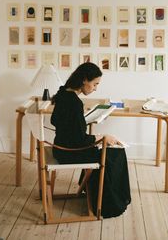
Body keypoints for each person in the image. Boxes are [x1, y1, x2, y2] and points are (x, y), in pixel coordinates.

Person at [51, 62, 131, 218]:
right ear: (84, 80)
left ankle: (95, 193)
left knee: (108, 150)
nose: (95, 88)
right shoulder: (74, 102)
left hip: (59, 147)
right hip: (69, 152)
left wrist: (81, 124)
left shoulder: (63, 94)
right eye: (95, 84)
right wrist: (102, 137)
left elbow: (59, 123)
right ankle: (108, 205)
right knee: (116, 154)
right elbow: (78, 140)